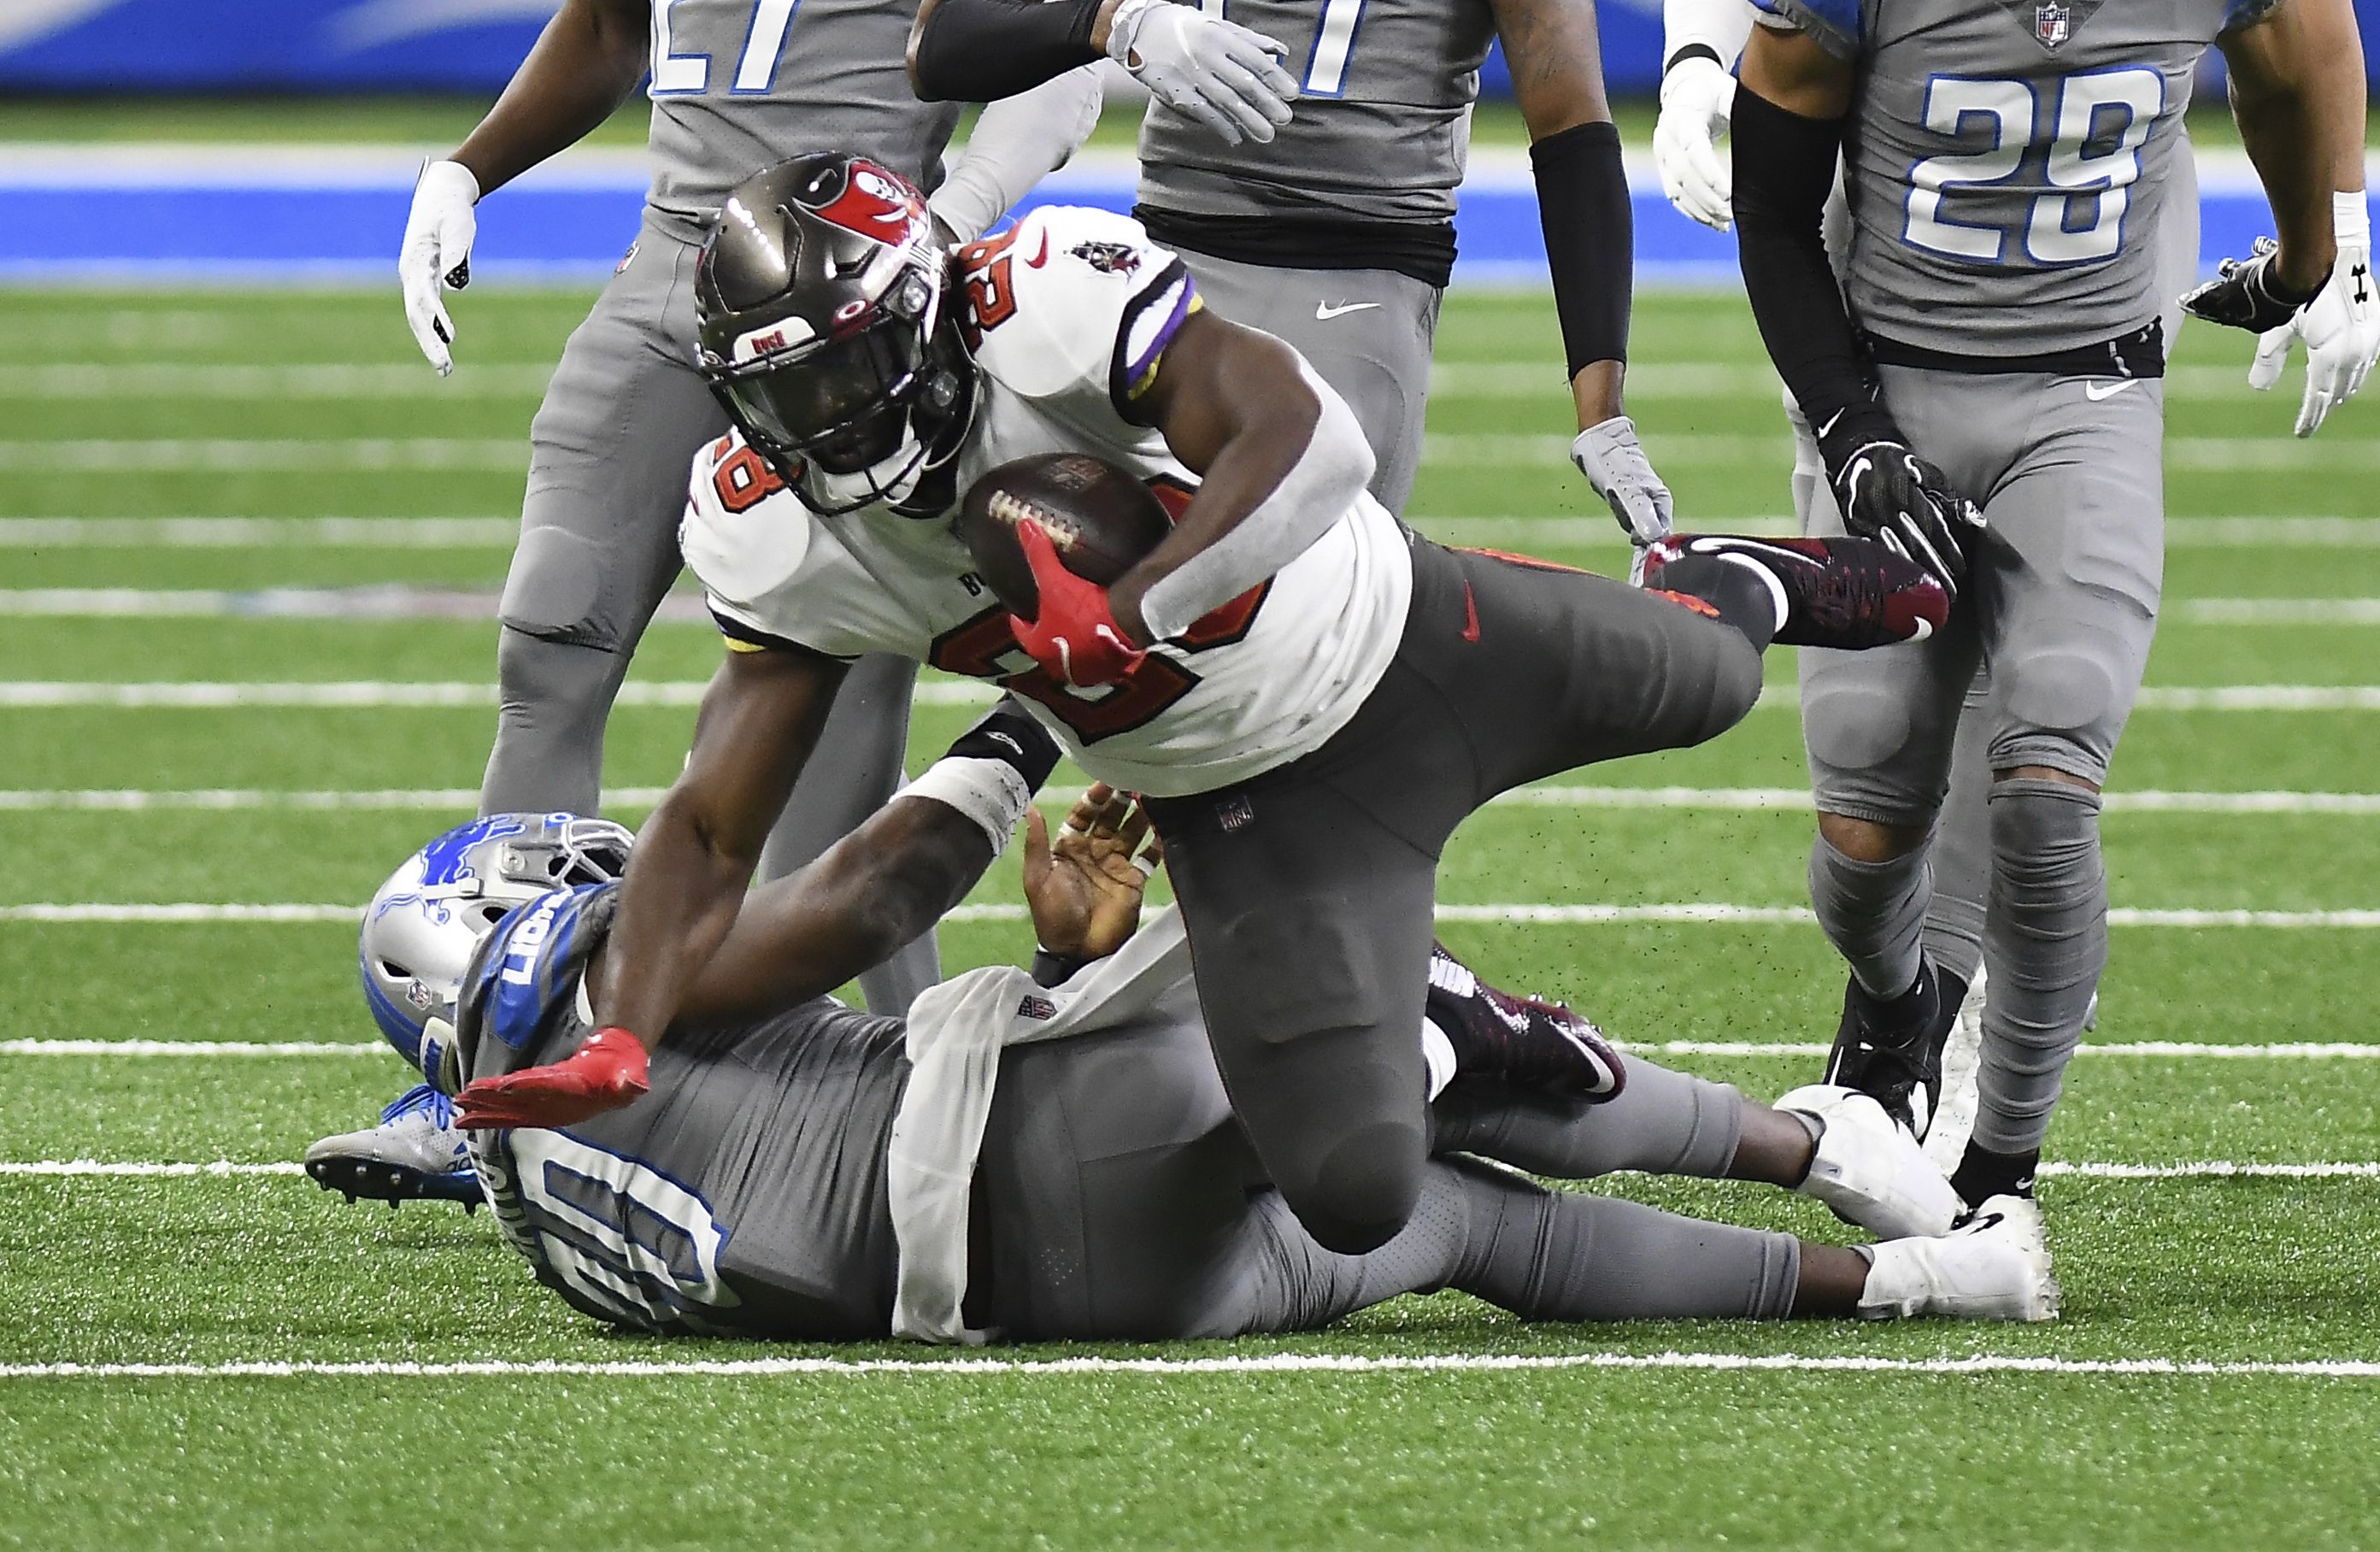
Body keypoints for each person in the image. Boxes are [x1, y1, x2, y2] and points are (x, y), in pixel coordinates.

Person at [444, 154, 1960, 1270]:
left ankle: (1726, 582)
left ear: (923, 316)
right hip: (1247, 798)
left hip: (1402, 625)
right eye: (791, 397)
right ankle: (1466, 1030)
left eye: (851, 374)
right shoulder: (779, 528)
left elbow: (1312, 441)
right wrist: (625, 1028)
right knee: (1356, 1186)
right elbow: (715, 815)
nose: (828, 426)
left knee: (1706, 684)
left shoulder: (1041, 300)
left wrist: (1146, 601)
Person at [338, 759, 2055, 1342]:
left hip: (1049, 1294)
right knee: (1401, 1012)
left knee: (1461, 1226)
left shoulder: (532, 1192)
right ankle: (1828, 1149)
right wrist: (1024, 697)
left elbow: (806, 1159)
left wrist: (1058, 970)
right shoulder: (605, 1006)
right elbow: (870, 898)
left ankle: (1918, 1294)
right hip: (1039, 1145)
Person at [1728, 0, 2380, 1213]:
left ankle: (1999, 1169)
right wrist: (1849, 430)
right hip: (1889, 378)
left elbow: (2288, 70)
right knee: (1863, 813)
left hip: (2084, 390)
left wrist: (2311, 259)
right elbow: (1772, 207)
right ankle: (1894, 1001)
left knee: (2046, 775)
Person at [392, 0, 1107, 1016]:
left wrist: (953, 215)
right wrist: (466, 169)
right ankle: (503, 1060)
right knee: (550, 644)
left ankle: (909, 1072)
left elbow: (1057, 57)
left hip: (857, 311)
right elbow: (604, 22)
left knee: (838, 750)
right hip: (674, 276)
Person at [899, 0, 1678, 544]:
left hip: (1361, 270)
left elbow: (1568, 118)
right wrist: (1112, 24)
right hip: (1163, 262)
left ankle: (1002, 756)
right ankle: (1001, 755)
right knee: (1051, 587)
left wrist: (1600, 410)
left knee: (1275, 623)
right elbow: (943, 42)